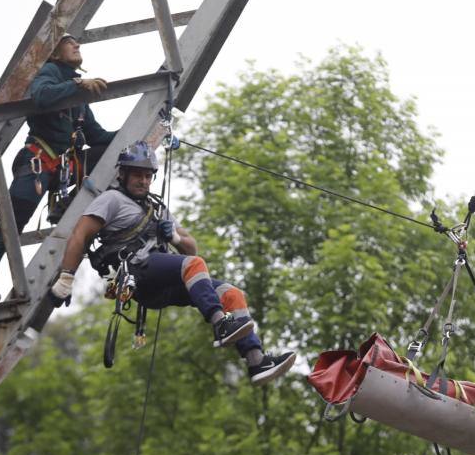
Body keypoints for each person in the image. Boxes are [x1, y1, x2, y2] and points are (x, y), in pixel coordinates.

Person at [49, 141, 297, 386]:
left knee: (232, 294)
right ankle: (221, 323)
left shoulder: (156, 208)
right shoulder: (111, 200)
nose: (143, 181)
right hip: (138, 273)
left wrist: (175, 237)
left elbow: (191, 246)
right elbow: (80, 235)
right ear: (123, 174)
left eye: (148, 176)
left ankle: (256, 361)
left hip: (163, 279)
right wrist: (67, 277)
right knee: (193, 265)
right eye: (137, 174)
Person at [0, 33, 116, 311]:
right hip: (38, 162)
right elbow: (40, 95)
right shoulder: (50, 72)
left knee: (111, 153)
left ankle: (66, 203)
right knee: (9, 225)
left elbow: (98, 137)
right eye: (70, 42)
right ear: (54, 52)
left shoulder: (78, 98)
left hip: (64, 169)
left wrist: (133, 135)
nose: (77, 45)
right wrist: (77, 83)